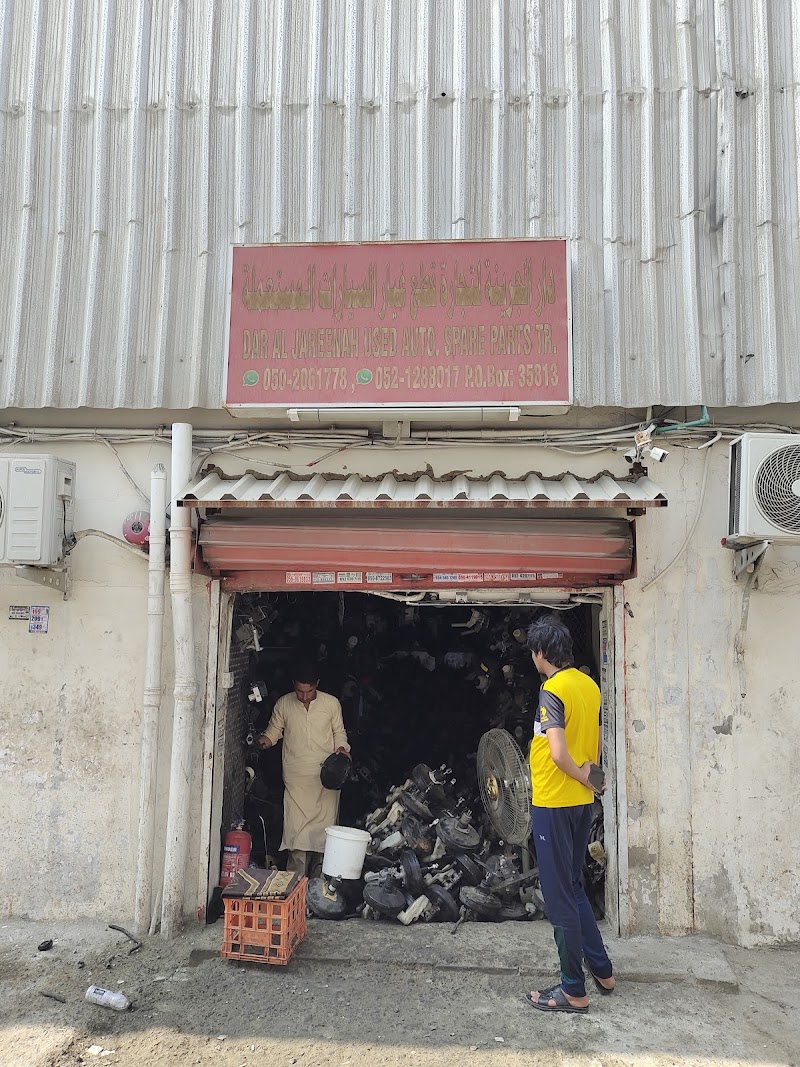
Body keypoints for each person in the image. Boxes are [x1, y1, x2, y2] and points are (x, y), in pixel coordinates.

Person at [524, 615, 615, 1014]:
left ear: (541, 653)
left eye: (533, 652)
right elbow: (593, 743)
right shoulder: (589, 685)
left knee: (559, 895)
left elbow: (559, 753)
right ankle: (602, 969)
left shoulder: (551, 689)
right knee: (574, 884)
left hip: (554, 801)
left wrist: (578, 774)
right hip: (581, 801)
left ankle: (572, 990)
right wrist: (592, 780)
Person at [258, 661, 351, 876]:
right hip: (296, 781)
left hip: (325, 780)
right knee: (296, 838)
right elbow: (273, 733)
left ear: (317, 684)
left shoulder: (331, 704)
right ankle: (295, 893)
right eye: (300, 691)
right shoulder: (284, 704)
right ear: (293, 686)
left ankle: (318, 893)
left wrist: (342, 749)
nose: (304, 697)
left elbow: (340, 733)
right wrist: (258, 743)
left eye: (309, 691)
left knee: (323, 839)